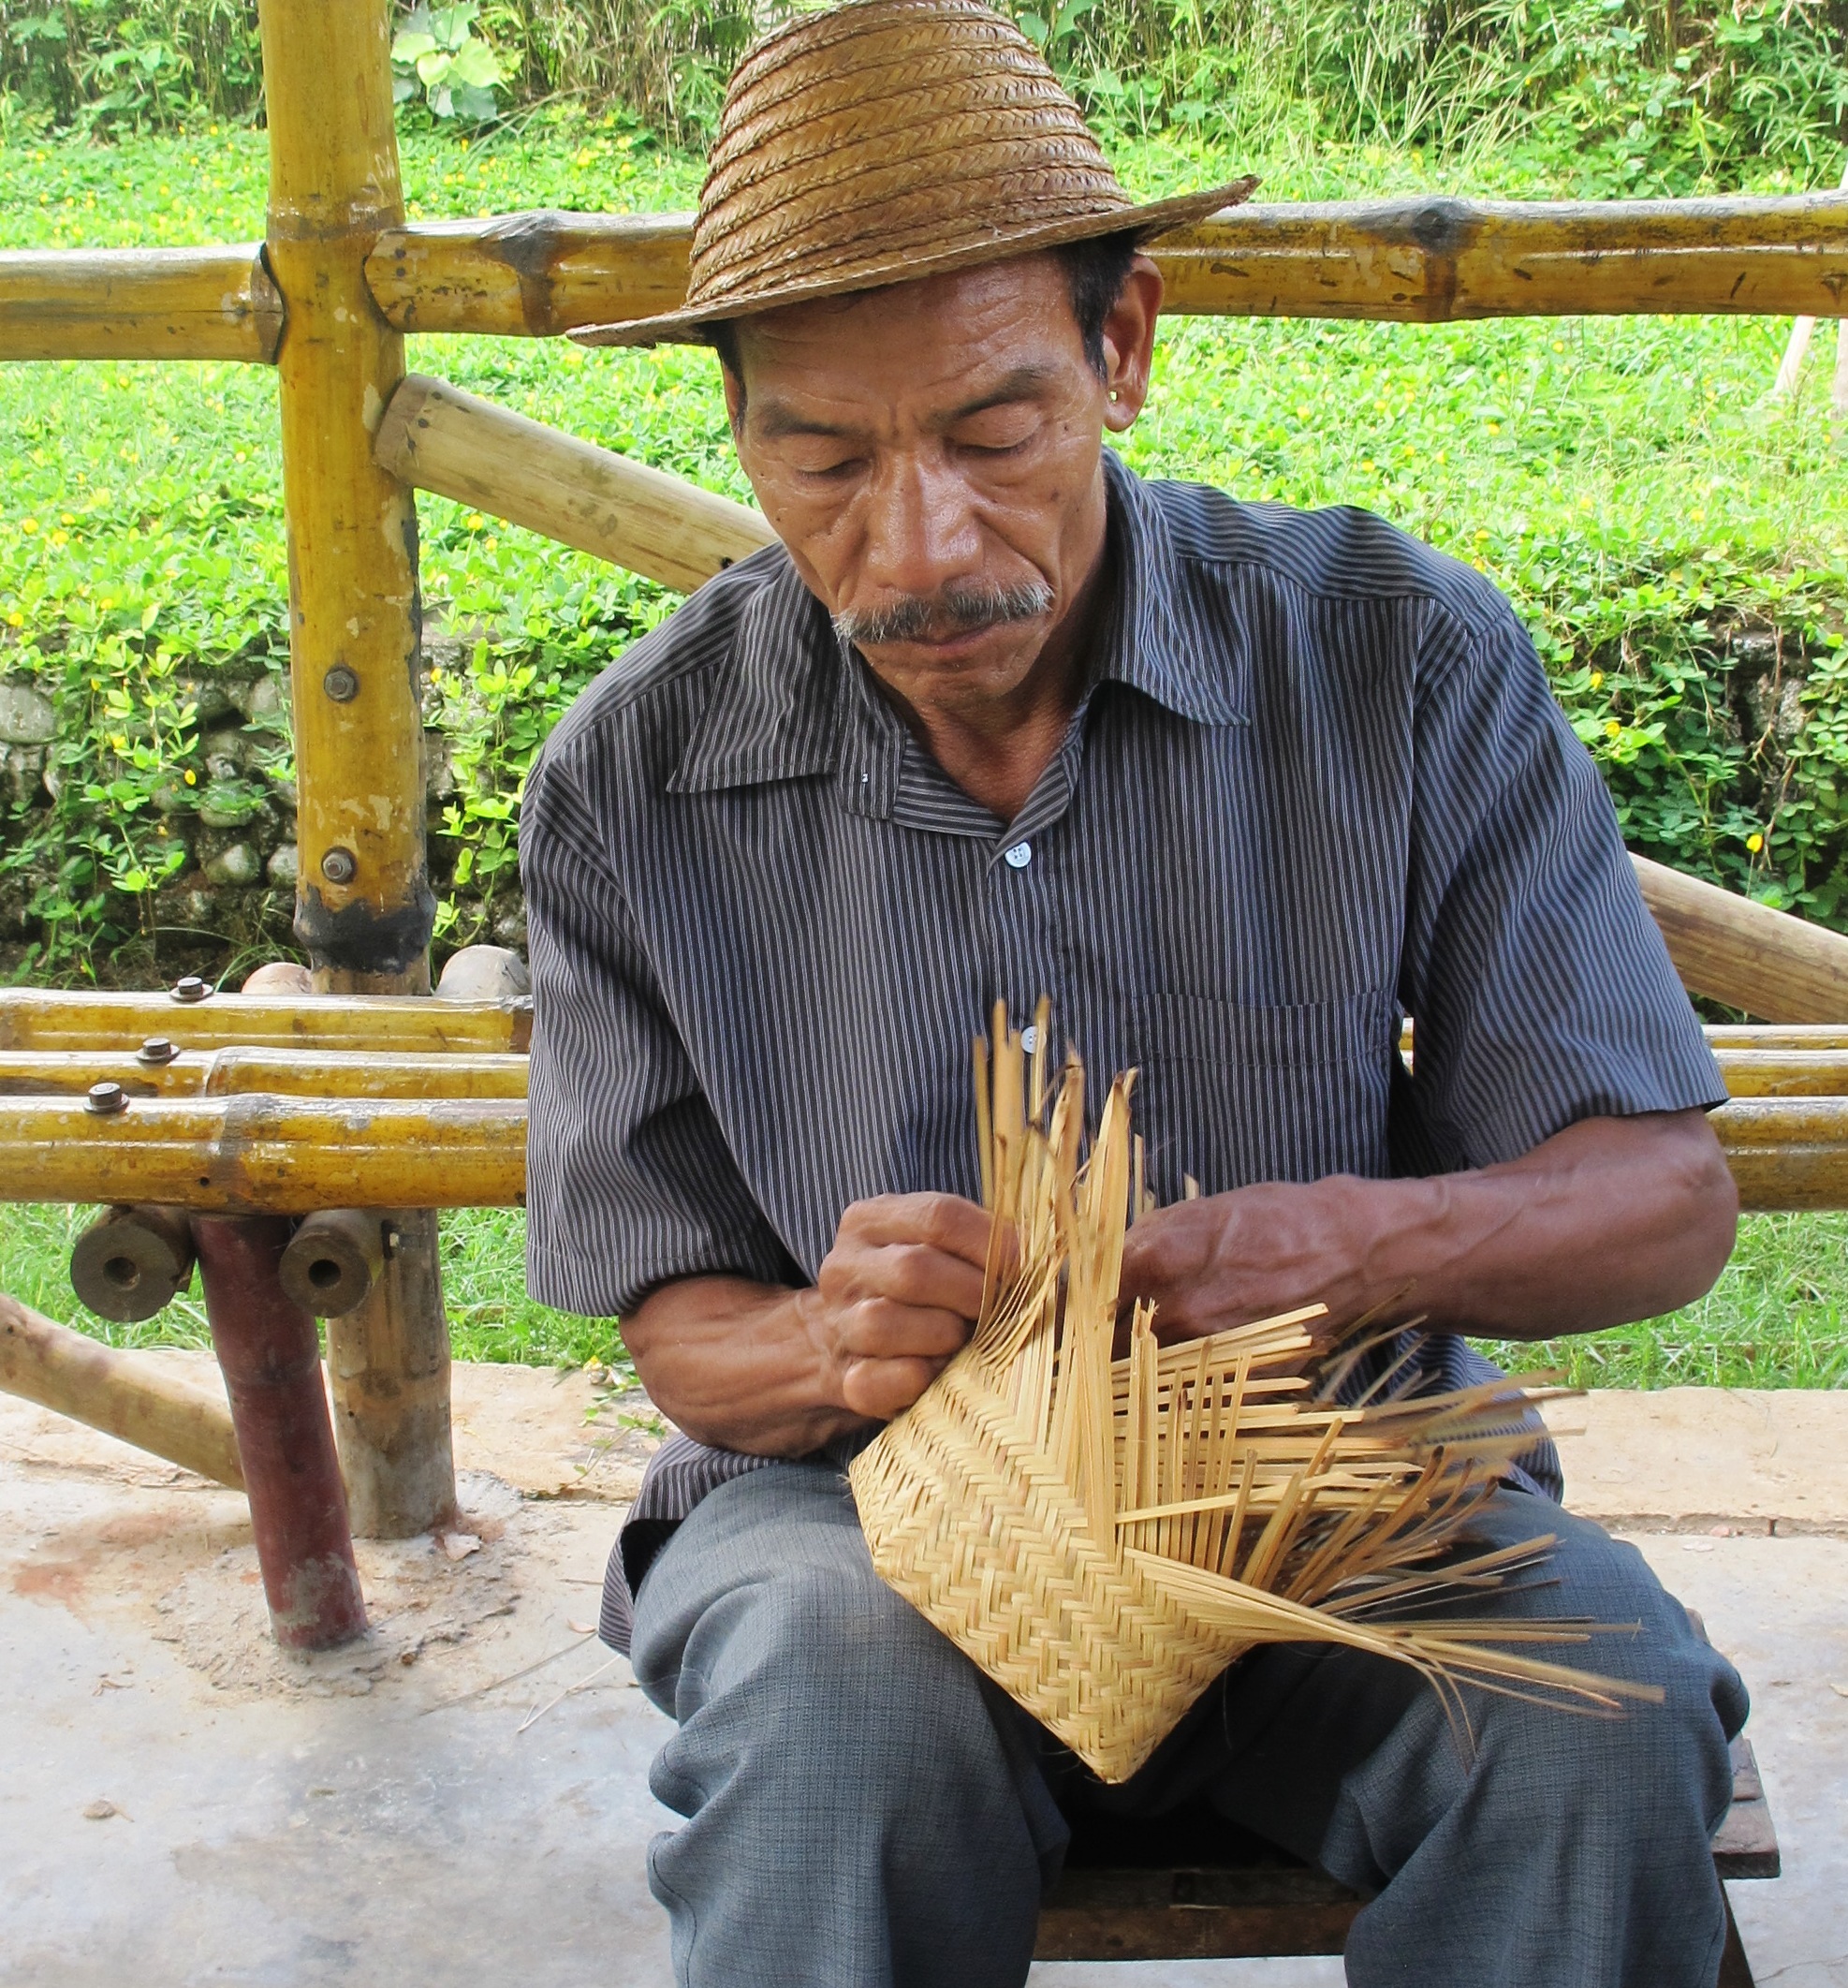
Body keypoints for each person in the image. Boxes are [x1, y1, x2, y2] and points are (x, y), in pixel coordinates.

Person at [519, 3, 1748, 1981]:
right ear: (739, 427)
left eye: (994, 433)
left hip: (1325, 1487)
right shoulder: (637, 773)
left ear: (1127, 347)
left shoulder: (1394, 661)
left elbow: (1666, 1199)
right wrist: (829, 1338)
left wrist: (1365, 1241)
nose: (916, 548)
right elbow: (687, 1340)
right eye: (818, 458)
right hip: (861, 1526)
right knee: (833, 1715)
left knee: (1590, 1714)